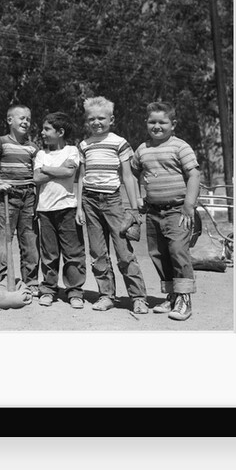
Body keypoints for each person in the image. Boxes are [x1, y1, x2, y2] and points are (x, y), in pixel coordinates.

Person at [130, 102, 202, 321]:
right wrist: (138, 199)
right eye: (152, 122)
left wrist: (189, 205)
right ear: (146, 123)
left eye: (163, 122)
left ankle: (184, 299)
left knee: (178, 251)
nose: (157, 126)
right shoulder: (142, 149)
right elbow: (132, 173)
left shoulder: (180, 147)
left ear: (173, 124)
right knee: (158, 254)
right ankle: (172, 295)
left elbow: (194, 175)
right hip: (153, 211)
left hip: (178, 211)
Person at [76, 96, 148, 313]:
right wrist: (79, 207)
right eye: (91, 119)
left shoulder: (119, 142)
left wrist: (134, 206)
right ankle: (106, 295)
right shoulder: (84, 145)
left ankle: (138, 297)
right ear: (86, 121)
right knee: (98, 252)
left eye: (101, 118)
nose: (96, 122)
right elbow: (81, 177)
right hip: (89, 201)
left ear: (111, 119)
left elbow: (128, 176)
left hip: (113, 201)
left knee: (123, 251)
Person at [0, 104, 40, 295]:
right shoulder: (2, 142)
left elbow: (37, 174)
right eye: (21, 118)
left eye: (28, 119)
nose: (26, 122)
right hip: (7, 197)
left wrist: (37, 198)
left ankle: (30, 281)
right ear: (9, 120)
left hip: (29, 197)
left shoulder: (32, 147)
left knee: (29, 240)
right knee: (1, 239)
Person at [32, 111, 86, 308]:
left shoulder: (72, 151)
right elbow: (36, 178)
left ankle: (75, 292)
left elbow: (69, 172)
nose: (42, 133)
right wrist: (54, 171)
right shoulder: (40, 154)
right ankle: (48, 289)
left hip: (68, 209)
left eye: (47, 129)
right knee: (49, 253)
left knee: (73, 252)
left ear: (60, 132)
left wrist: (46, 169)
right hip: (45, 210)